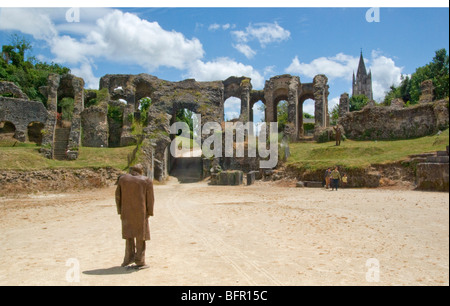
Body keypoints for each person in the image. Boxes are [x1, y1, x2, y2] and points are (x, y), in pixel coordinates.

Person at [115, 164, 155, 269]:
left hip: (126, 211)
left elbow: (118, 196)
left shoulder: (122, 179)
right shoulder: (146, 180)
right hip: (141, 213)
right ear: (141, 171)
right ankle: (140, 260)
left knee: (129, 235)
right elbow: (150, 198)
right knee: (141, 236)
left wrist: (120, 210)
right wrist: (149, 212)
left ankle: (127, 259)